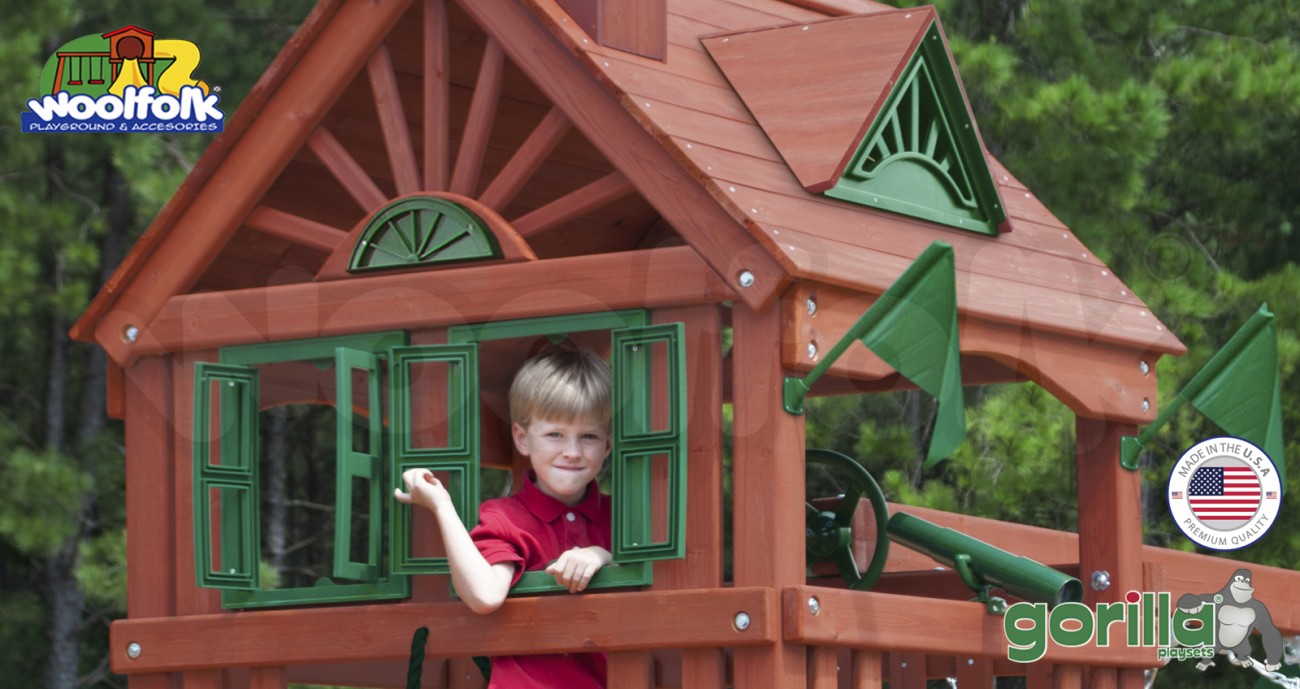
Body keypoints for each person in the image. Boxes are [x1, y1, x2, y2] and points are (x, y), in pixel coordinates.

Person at [394, 348, 614, 689]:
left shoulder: (622, 518)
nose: (572, 451)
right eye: (555, 434)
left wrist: (600, 555)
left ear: (607, 445)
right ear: (522, 438)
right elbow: (485, 595)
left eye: (588, 436)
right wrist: (442, 506)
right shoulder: (507, 517)